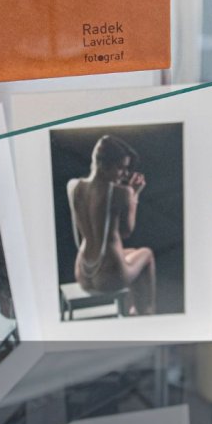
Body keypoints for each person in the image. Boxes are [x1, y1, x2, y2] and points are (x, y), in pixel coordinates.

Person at [67, 135, 156, 315]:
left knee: (132, 253)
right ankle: (146, 311)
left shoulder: (74, 186)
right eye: (120, 167)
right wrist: (134, 195)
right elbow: (126, 232)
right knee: (146, 254)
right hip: (109, 278)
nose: (125, 174)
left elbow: (80, 234)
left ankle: (132, 309)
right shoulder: (122, 192)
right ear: (102, 164)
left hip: (83, 273)